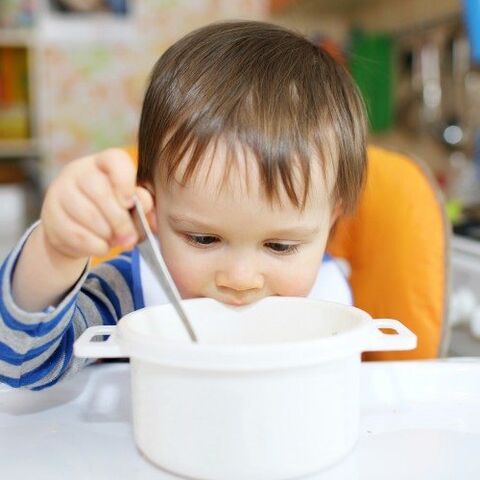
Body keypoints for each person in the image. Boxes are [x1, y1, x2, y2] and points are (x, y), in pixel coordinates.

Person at [0, 20, 367, 390]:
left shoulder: (330, 301)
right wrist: (55, 252)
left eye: (280, 246)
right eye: (203, 239)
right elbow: (23, 366)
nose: (240, 279)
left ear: (330, 220)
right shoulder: (131, 291)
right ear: (150, 210)